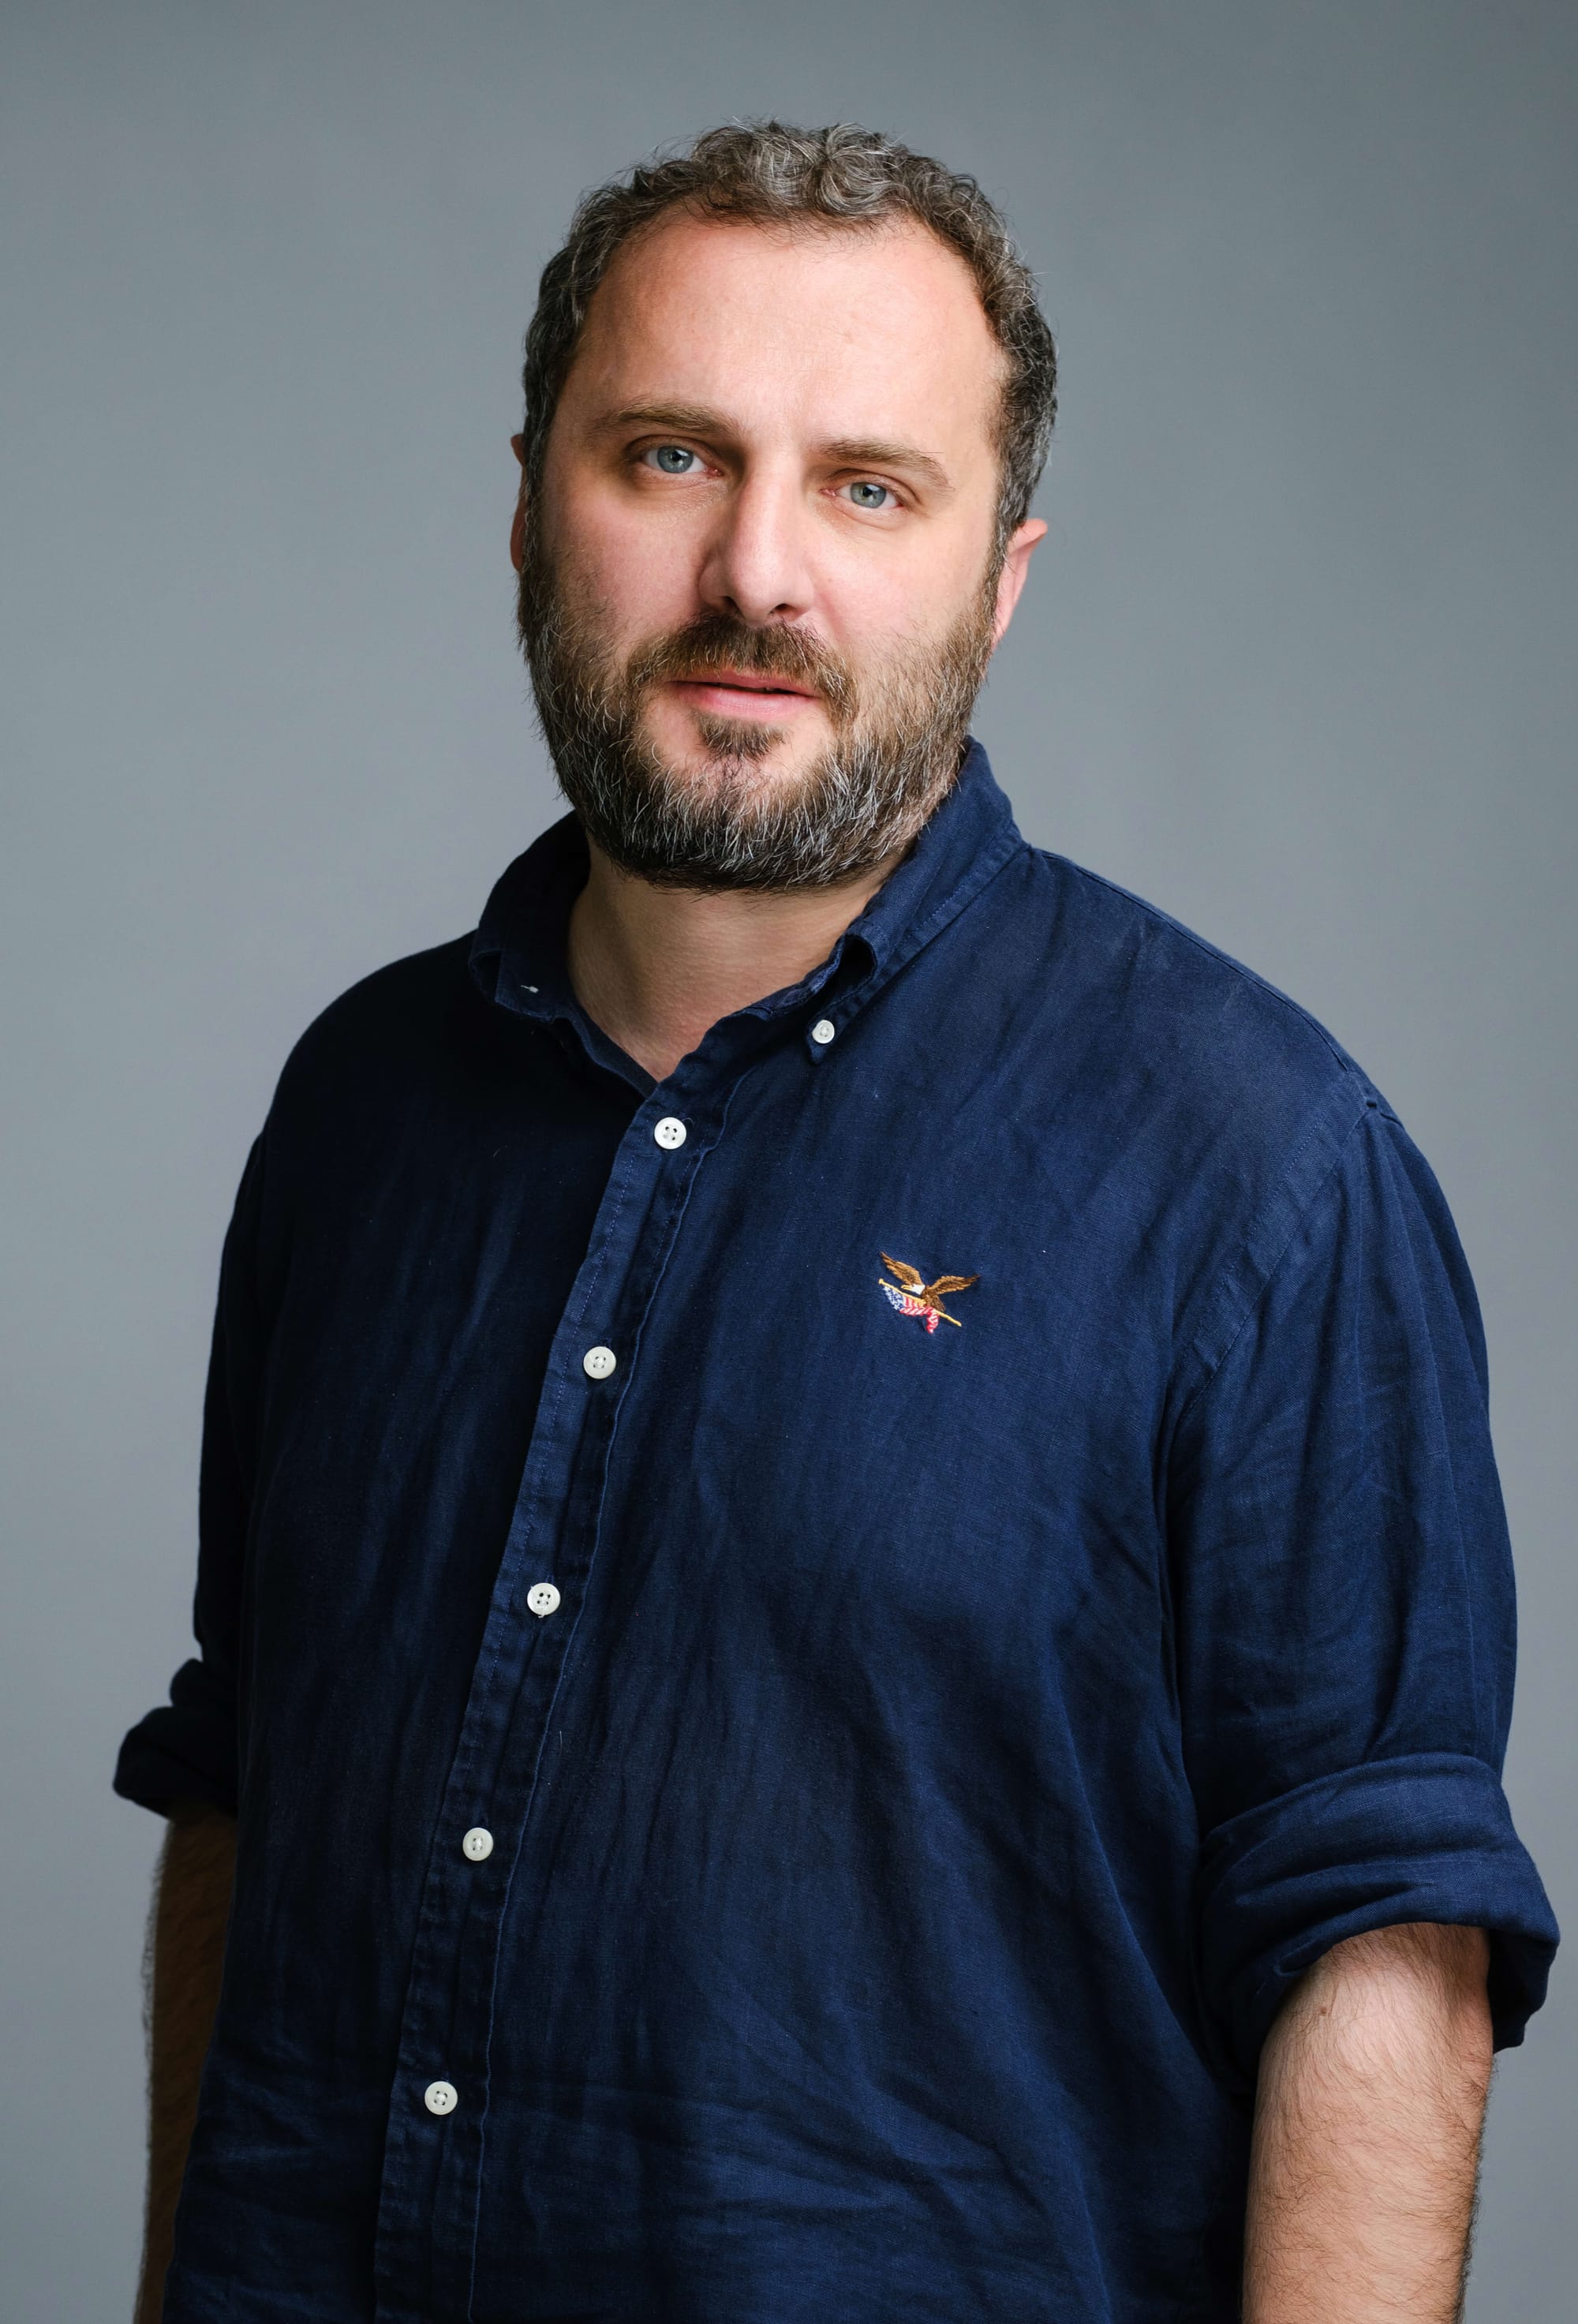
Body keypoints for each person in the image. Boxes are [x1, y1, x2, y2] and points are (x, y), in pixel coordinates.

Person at [118, 122, 1557, 2324]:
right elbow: (247, 1787)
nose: (758, 572)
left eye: (870, 488)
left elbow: (1380, 1944)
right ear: (530, 505)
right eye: (671, 456)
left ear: (1001, 577)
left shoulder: (1260, 1168)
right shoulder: (360, 1109)